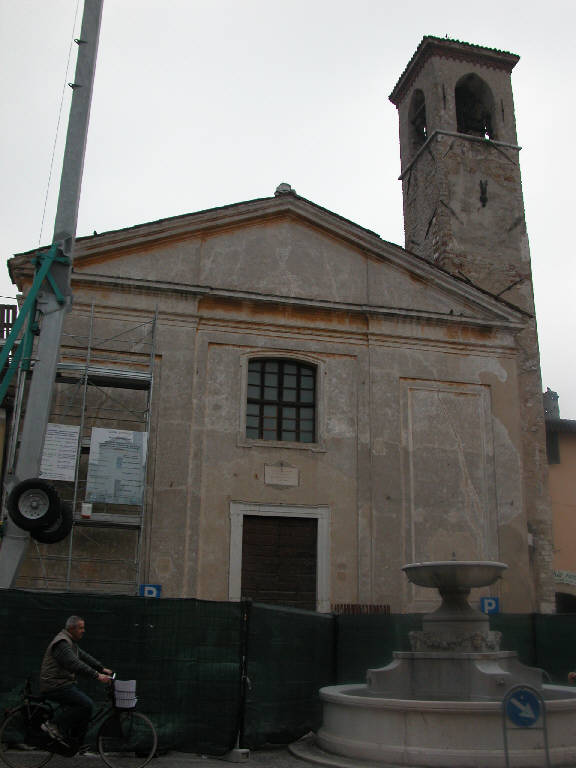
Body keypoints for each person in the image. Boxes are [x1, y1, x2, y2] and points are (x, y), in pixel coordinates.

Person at [39, 615, 113, 746]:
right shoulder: (62, 643)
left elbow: (83, 656)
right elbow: (75, 663)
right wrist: (97, 675)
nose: (83, 630)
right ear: (71, 628)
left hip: (62, 683)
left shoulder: (70, 642)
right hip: (54, 685)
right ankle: (53, 725)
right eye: (81, 628)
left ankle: (74, 741)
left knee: (84, 707)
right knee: (86, 704)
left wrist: (101, 668)